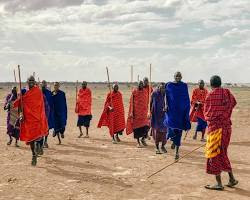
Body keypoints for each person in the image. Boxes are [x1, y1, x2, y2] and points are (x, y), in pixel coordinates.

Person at [204, 75, 238, 191]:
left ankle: (219, 183)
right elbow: (233, 103)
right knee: (223, 152)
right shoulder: (227, 92)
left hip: (215, 129)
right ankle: (232, 179)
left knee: (214, 154)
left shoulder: (210, 96)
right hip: (227, 128)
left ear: (211, 84)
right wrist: (225, 114)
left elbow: (207, 114)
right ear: (220, 83)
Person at [14, 76, 48, 166]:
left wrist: (42, 116)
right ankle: (33, 155)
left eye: (33, 81)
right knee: (31, 139)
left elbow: (41, 105)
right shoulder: (23, 91)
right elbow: (20, 104)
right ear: (27, 81)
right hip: (28, 119)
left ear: (35, 81)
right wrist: (20, 114)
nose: (31, 82)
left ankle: (39, 147)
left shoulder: (38, 91)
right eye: (30, 81)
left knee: (38, 136)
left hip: (37, 118)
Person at [164, 72, 191, 160]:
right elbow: (165, 96)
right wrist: (165, 105)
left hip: (180, 112)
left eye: (179, 76)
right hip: (171, 111)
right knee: (170, 127)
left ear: (181, 77)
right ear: (174, 76)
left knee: (179, 131)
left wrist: (187, 108)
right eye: (176, 76)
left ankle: (177, 152)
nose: (177, 77)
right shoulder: (169, 85)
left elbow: (186, 98)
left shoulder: (184, 86)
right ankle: (173, 139)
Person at [126, 81, 150, 147]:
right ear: (138, 85)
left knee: (146, 126)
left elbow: (146, 102)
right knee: (137, 129)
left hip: (144, 113)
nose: (141, 85)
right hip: (136, 113)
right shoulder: (134, 92)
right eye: (140, 84)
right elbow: (131, 102)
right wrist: (131, 112)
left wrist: (148, 111)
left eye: (142, 84)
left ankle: (143, 139)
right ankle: (138, 142)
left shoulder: (145, 91)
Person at [151, 83, 167, 154]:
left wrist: (166, 108)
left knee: (164, 132)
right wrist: (150, 112)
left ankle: (163, 146)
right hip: (156, 115)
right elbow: (151, 103)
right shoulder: (154, 94)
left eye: (164, 88)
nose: (162, 89)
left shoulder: (166, 95)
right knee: (157, 132)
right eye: (161, 88)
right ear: (158, 87)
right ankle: (157, 147)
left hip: (164, 116)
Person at [41, 80, 55, 148]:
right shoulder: (38, 93)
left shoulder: (49, 93)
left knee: (47, 128)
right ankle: (41, 142)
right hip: (39, 114)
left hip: (47, 114)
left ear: (46, 86)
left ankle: (45, 141)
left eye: (44, 85)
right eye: (42, 85)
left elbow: (51, 104)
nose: (43, 86)